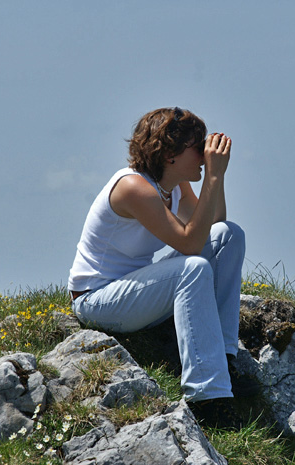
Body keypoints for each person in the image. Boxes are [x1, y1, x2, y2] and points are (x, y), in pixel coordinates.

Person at [67, 107, 253, 429]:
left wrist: (216, 175)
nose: (203, 153)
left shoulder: (175, 186)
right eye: (198, 147)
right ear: (170, 154)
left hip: (132, 290)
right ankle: (208, 399)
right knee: (192, 267)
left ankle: (223, 360)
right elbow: (190, 245)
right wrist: (210, 175)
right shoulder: (133, 188)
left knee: (229, 235)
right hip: (96, 300)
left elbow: (216, 223)